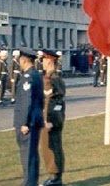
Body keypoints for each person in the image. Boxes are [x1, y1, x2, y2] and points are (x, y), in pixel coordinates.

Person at [13, 47, 44, 186]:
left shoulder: (28, 77)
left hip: (28, 122)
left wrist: (25, 123)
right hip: (35, 119)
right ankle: (31, 182)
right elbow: (40, 100)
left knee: (27, 155)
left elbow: (26, 102)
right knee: (31, 154)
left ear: (23, 60)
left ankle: (29, 183)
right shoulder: (36, 75)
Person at [39, 50, 66, 186]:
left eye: (43, 60)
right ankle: (57, 175)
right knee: (56, 145)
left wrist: (47, 120)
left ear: (49, 62)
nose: (42, 62)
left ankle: (54, 177)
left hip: (50, 118)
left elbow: (49, 101)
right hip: (58, 116)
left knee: (49, 147)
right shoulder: (58, 78)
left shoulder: (49, 79)